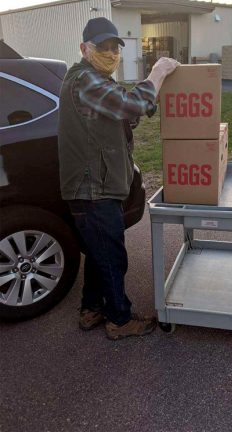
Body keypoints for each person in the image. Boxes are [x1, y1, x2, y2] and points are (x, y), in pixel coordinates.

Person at [58, 17, 179, 340]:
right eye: (103, 48)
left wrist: (138, 106)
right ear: (85, 49)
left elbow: (125, 114)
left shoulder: (96, 80)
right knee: (112, 256)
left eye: (115, 48)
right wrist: (158, 73)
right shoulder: (85, 80)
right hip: (92, 188)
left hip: (96, 185)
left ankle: (91, 309)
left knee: (100, 254)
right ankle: (119, 320)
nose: (111, 54)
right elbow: (130, 105)